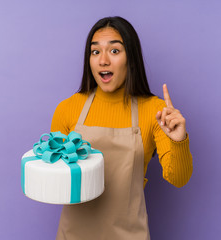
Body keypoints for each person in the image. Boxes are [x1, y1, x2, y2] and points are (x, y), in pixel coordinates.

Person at [51, 16, 193, 240]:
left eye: (115, 51)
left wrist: (178, 140)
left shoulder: (154, 111)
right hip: (74, 234)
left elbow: (179, 178)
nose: (103, 60)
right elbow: (55, 179)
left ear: (131, 59)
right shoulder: (68, 109)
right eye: (95, 52)